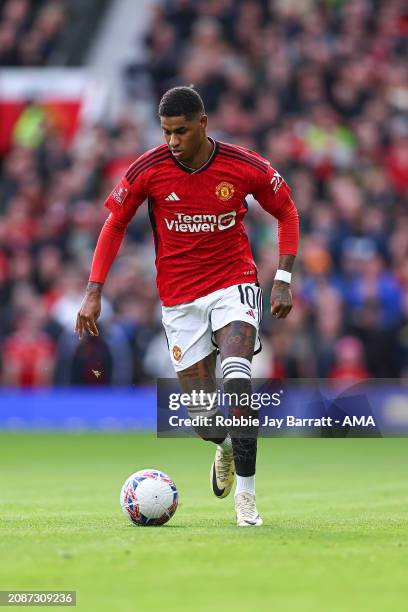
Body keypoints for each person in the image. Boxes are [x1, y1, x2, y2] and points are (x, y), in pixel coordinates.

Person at [75, 86, 299, 527]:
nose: (173, 141)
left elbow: (287, 211)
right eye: (166, 132)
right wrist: (94, 288)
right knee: (203, 419)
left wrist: (283, 278)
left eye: (180, 131)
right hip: (179, 302)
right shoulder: (149, 168)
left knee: (237, 379)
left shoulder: (243, 166)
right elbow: (114, 222)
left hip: (233, 285)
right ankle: (226, 446)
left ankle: (248, 502)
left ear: (203, 124)